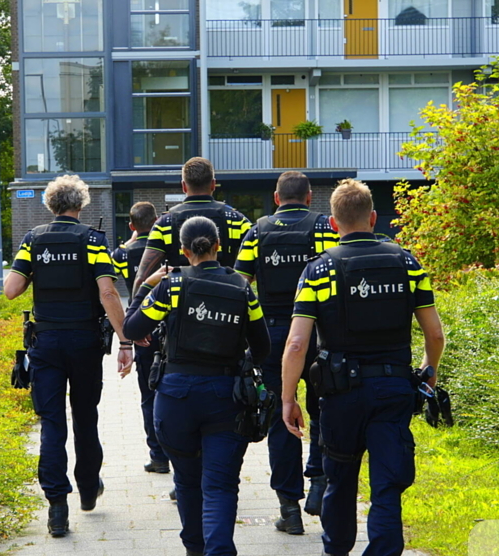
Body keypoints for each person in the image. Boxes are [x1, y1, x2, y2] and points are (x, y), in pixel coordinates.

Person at [280, 179, 445, 556]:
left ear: (333, 224)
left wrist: (287, 398)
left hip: (340, 395)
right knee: (387, 488)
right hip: (393, 392)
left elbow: (297, 344)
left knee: (339, 478)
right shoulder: (407, 263)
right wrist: (429, 372)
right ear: (374, 218)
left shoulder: (319, 270)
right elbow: (434, 333)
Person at [123, 216, 270, 556]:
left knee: (186, 479)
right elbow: (262, 348)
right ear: (219, 246)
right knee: (221, 486)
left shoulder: (172, 285)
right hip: (225, 397)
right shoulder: (242, 289)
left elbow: (134, 327)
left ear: (185, 251)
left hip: (176, 396)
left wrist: (146, 286)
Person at [4, 175, 134, 538]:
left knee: (51, 422)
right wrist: (126, 341)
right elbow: (108, 294)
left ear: (50, 205)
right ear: (80, 205)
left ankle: (57, 507)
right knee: (85, 416)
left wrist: (36, 273)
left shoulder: (33, 240)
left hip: (45, 343)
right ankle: (89, 489)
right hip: (85, 342)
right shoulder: (93, 240)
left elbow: (12, 290)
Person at [234, 171, 337, 535]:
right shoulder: (325, 226)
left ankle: (289, 508)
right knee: (324, 406)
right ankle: (320, 482)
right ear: (310, 198)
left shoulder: (257, 231)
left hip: (273, 332)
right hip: (319, 332)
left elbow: (240, 284)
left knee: (281, 414)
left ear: (276, 198)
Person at [132, 157, 252, 296]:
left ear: (183, 186)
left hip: (180, 308)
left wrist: (133, 311)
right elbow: (256, 264)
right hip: (227, 307)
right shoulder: (236, 220)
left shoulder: (164, 224)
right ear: (213, 184)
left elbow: (142, 278)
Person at [112, 202, 170, 474]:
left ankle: (158, 456)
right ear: (157, 220)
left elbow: (113, 261)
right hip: (167, 326)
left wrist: (130, 239)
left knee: (148, 396)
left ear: (132, 226)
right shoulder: (167, 251)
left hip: (140, 325)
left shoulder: (123, 253)